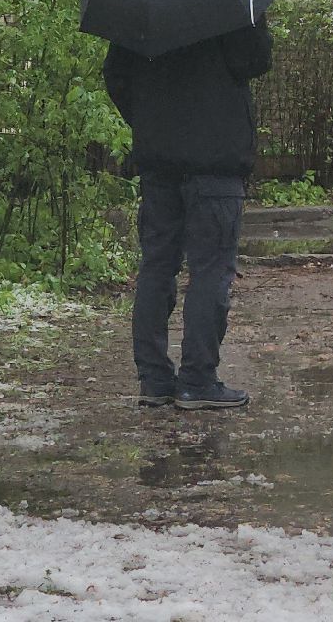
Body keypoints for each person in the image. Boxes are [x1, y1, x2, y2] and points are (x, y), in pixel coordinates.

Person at [103, 22, 273, 409]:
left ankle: (154, 380)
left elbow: (116, 74)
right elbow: (255, 59)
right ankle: (197, 380)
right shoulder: (228, 3)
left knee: (157, 265)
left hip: (159, 160)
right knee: (211, 269)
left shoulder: (143, 5)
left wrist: (148, 120)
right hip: (216, 158)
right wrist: (255, 20)